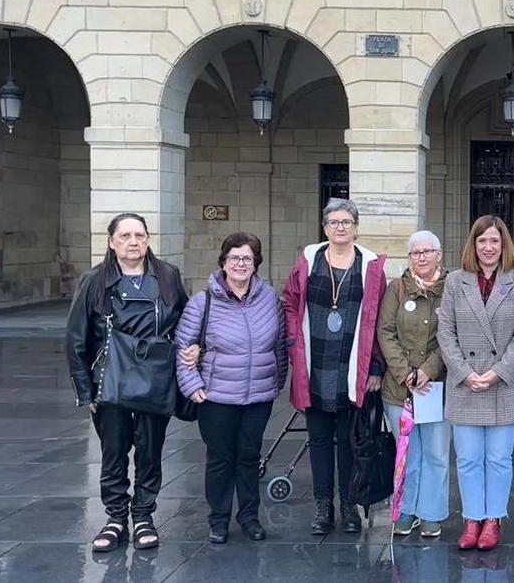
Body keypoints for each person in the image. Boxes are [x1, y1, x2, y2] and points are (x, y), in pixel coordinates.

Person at [66, 212, 187, 552]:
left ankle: (145, 515)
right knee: (114, 452)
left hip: (156, 379)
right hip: (111, 380)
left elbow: (184, 320)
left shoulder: (167, 275)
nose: (133, 242)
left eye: (139, 235)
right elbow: (76, 338)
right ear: (112, 242)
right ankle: (116, 517)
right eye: (125, 236)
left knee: (150, 452)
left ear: (148, 239)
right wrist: (84, 391)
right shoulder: (94, 280)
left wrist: (192, 351)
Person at [281, 198, 387, 536]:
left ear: (356, 227)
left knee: (348, 440)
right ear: (324, 228)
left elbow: (381, 320)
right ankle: (323, 506)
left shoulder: (371, 266)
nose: (339, 227)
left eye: (346, 222)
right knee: (320, 439)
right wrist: (293, 345)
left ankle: (348, 506)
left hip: (351, 364)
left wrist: (375, 367)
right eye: (333, 222)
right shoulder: (308, 261)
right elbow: (289, 304)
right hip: (315, 363)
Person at [174, 232, 288, 544]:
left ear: (256, 264)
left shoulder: (269, 299)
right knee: (221, 457)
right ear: (223, 261)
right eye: (234, 257)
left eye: (247, 258)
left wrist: (277, 381)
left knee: (250, 457)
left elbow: (280, 346)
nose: (240, 263)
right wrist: (192, 385)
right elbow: (184, 348)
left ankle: (249, 516)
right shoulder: (203, 302)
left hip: (257, 396)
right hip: (216, 397)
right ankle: (219, 518)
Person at [437, 215, 514, 551]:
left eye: (495, 241)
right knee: (467, 458)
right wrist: (465, 372)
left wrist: (498, 371)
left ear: (503, 244)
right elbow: (445, 333)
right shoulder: (455, 281)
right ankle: (471, 519)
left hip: (504, 384)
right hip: (465, 383)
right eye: (482, 241)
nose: (489, 247)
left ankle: (493, 519)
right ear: (473, 245)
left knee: (498, 458)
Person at [378, 230, 450, 539]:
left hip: (437, 388)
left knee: (435, 453)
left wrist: (428, 371)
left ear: (439, 255)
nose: (421, 257)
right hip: (399, 389)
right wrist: (405, 372)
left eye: (427, 251)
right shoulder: (396, 288)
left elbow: (453, 335)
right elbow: (385, 331)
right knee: (407, 451)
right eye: (415, 253)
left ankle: (431, 514)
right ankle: (405, 511)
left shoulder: (453, 289)